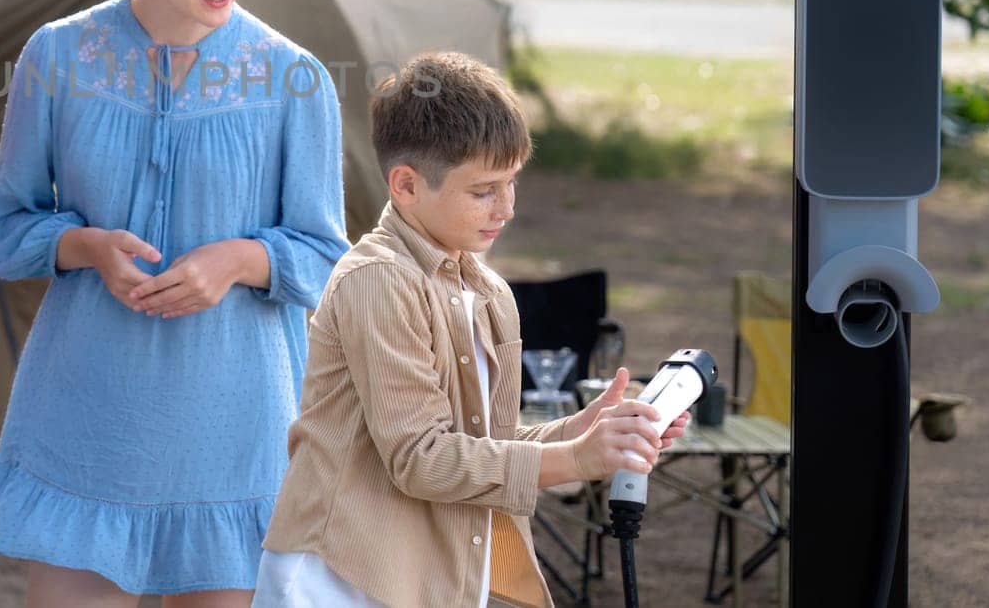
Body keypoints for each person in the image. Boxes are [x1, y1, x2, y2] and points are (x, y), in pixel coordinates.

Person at [0, 0, 349, 606]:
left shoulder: (293, 78)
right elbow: (3, 231)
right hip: (88, 422)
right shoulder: (56, 57)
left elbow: (327, 255)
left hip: (234, 436)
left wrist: (239, 259)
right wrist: (82, 244)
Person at [255, 53, 689, 608]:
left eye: (512, 183)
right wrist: (577, 460)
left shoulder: (489, 292)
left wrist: (580, 433)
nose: (505, 208)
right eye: (484, 190)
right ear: (406, 185)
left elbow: (484, 449)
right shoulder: (379, 281)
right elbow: (421, 458)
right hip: (340, 579)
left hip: (431, 578)